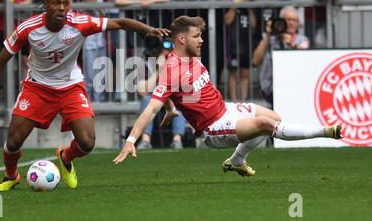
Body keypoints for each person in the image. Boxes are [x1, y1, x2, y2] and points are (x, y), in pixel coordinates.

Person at [0, 0, 169, 191]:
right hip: (38, 87)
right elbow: (1, 61)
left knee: (87, 142)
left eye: (65, 3)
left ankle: (65, 157)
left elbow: (119, 22)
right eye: (56, 3)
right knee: (13, 141)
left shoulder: (80, 23)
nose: (62, 8)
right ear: (46, 5)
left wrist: (147, 29)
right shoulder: (28, 28)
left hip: (70, 86)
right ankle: (11, 176)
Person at [113, 16, 342, 177]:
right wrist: (131, 141)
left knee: (275, 116)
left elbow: (171, 94)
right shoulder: (171, 70)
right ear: (181, 39)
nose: (201, 40)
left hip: (226, 109)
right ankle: (324, 131)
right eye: (196, 36)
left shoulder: (193, 55)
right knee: (265, 124)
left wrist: (171, 109)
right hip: (213, 128)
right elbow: (151, 108)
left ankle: (237, 160)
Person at [136, 37, 187, 150]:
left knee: (181, 100)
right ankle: (146, 140)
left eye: (171, 50)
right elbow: (142, 91)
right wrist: (159, 70)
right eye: (165, 50)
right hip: (155, 100)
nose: (168, 53)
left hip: (173, 101)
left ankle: (177, 140)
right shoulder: (148, 64)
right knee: (145, 100)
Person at [253, 6, 309, 107]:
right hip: (270, 87)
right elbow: (256, 60)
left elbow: (306, 58)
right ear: (280, 20)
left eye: (295, 20)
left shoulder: (302, 40)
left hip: (295, 86)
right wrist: (268, 36)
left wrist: (292, 43)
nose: (291, 23)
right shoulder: (267, 38)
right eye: (288, 20)